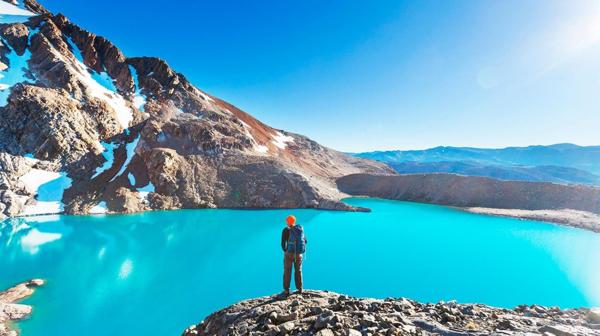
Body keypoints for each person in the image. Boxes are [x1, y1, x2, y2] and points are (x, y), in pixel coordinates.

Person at [281, 215, 307, 296]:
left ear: (288, 222)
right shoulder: (299, 229)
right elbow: (305, 241)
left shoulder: (285, 230)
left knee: (287, 271)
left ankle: (286, 290)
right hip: (299, 254)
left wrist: (286, 251)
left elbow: (282, 244)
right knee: (298, 271)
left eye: (286, 221)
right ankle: (300, 289)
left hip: (289, 254)